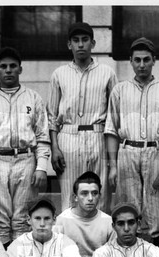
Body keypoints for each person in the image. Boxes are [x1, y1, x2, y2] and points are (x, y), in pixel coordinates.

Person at [105, 37, 159, 247]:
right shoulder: (120, 90)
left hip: (157, 152)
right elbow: (112, 130)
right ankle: (131, 256)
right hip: (128, 151)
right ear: (131, 62)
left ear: (154, 61)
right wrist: (113, 166)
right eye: (137, 60)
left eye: (146, 60)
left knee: (158, 207)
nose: (142, 65)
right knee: (129, 206)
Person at [0, 47, 50, 248]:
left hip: (26, 159)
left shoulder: (33, 98)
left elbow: (42, 136)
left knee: (22, 218)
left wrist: (41, 167)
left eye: (12, 66)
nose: (8, 70)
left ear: (20, 69)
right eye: (3, 66)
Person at [48, 22, 118, 213]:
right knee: (71, 196)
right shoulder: (59, 74)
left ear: (92, 43)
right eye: (76, 40)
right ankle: (69, 241)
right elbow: (52, 116)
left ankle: (100, 240)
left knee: (99, 196)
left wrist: (113, 158)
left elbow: (114, 116)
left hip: (98, 135)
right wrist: (54, 148)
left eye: (85, 40)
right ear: (69, 44)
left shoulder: (107, 73)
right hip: (68, 135)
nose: (80, 45)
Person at [54, 171, 115, 257]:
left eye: (94, 193)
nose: (90, 198)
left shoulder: (108, 222)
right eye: (84, 193)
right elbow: (56, 256)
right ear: (75, 197)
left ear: (100, 195)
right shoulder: (62, 220)